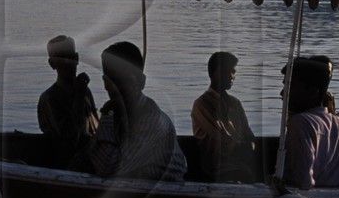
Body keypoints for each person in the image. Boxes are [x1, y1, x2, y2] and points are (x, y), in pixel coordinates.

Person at [84, 42, 186, 183]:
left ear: (141, 82)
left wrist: (108, 115)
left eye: (120, 80)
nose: (113, 88)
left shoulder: (152, 121)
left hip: (166, 197)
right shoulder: (118, 116)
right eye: (108, 80)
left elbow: (108, 169)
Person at [281, 56, 339, 191]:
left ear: (313, 92)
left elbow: (302, 182)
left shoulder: (300, 123)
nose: (283, 93)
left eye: (291, 87)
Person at [191, 51, 259, 182]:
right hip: (216, 169)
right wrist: (242, 147)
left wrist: (251, 144)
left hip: (240, 166)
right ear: (215, 72)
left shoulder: (235, 103)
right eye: (228, 71)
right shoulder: (202, 104)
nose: (232, 76)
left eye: (233, 72)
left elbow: (248, 133)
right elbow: (222, 137)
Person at [36, 35, 99, 169]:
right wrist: (78, 98)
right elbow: (68, 142)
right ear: (52, 64)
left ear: (76, 59)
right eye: (61, 58)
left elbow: (96, 130)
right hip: (65, 166)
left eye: (70, 57)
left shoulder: (85, 92)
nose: (67, 62)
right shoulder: (49, 98)